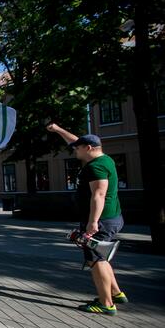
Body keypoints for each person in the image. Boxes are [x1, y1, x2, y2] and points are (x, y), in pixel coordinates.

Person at [47, 123, 126, 315]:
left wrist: (92, 222)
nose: (75, 149)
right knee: (101, 257)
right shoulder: (104, 159)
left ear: (88, 149)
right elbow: (76, 140)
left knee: (96, 259)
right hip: (111, 217)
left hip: (101, 220)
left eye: (78, 148)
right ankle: (116, 293)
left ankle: (106, 304)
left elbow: (98, 195)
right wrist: (58, 130)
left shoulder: (95, 167)